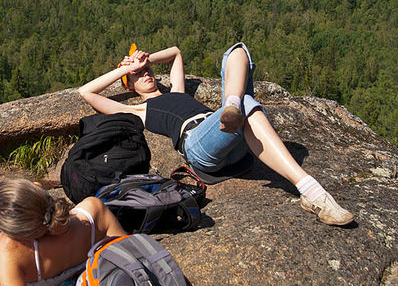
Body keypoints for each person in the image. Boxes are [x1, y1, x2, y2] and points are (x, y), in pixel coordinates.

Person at [78, 42, 354, 226]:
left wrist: (146, 57)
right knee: (246, 106)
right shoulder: (139, 110)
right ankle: (312, 192)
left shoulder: (176, 92)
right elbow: (86, 93)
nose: (146, 74)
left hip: (223, 131)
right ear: (131, 84)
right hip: (198, 145)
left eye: (148, 71)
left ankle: (232, 106)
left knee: (238, 50)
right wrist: (127, 68)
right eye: (139, 75)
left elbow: (175, 52)